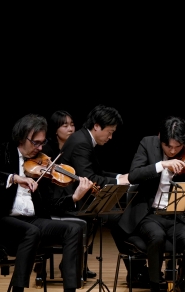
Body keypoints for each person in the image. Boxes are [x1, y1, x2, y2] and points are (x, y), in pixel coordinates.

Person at [0, 113, 97, 292]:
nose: (41, 149)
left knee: (74, 229)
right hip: (0, 220)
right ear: (22, 138)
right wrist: (14, 178)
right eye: (36, 143)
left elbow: (49, 204)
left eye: (43, 143)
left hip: (30, 219)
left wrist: (74, 197)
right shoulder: (1, 151)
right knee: (31, 231)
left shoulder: (40, 164)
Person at [115, 115, 185, 292]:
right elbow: (133, 175)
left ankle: (183, 283)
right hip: (149, 213)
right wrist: (162, 165)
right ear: (160, 137)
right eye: (169, 147)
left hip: (176, 215)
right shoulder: (147, 143)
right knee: (156, 237)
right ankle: (154, 290)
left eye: (178, 147)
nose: (173, 151)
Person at [51, 105, 130, 251]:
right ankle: (133, 263)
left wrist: (120, 176)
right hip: (69, 200)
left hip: (79, 195)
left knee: (115, 211)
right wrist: (120, 182)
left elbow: (97, 172)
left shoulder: (83, 138)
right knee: (116, 216)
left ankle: (134, 266)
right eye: (109, 132)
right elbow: (89, 178)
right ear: (97, 126)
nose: (110, 137)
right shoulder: (82, 143)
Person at [39, 110, 97, 280]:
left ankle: (78, 262)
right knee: (82, 220)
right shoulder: (46, 150)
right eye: (65, 125)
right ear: (55, 129)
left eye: (72, 124)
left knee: (92, 216)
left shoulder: (76, 147)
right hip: (52, 197)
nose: (70, 129)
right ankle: (43, 263)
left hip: (70, 192)